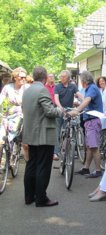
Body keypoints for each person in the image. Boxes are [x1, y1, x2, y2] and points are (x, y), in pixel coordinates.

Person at [22, 66, 63, 207]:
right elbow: (50, 111)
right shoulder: (42, 90)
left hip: (30, 133)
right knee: (43, 167)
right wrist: (60, 110)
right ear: (45, 78)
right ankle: (41, 198)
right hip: (43, 135)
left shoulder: (27, 91)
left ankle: (29, 197)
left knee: (31, 165)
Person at [68, 71, 103, 178]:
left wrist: (77, 110)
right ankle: (86, 168)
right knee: (89, 146)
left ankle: (98, 170)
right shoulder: (90, 89)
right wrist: (78, 105)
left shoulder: (92, 88)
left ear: (84, 81)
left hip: (93, 120)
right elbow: (87, 103)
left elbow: (87, 100)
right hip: (90, 121)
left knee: (93, 146)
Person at [54, 70, 83, 160]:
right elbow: (56, 99)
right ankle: (55, 153)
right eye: (61, 76)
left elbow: (80, 95)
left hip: (69, 111)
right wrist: (60, 107)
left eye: (63, 77)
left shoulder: (73, 86)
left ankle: (69, 148)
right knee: (57, 132)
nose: (61, 78)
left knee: (69, 130)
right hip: (60, 111)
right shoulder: (58, 86)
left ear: (68, 78)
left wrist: (85, 102)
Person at [0, 67, 27, 145]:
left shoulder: (27, 88)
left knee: (20, 140)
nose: (24, 79)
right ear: (15, 77)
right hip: (8, 114)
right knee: (1, 138)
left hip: (22, 115)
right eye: (21, 77)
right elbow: (1, 98)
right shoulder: (8, 87)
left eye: (25, 77)